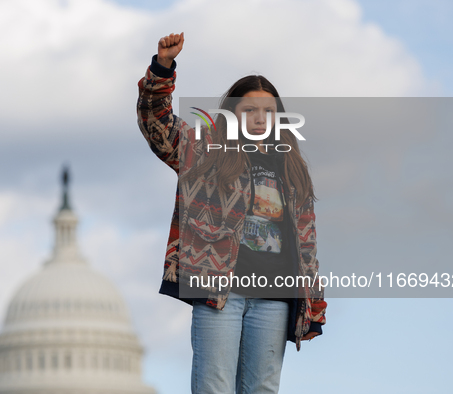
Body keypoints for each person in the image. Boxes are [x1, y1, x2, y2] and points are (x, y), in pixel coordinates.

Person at [137, 32, 327, 394]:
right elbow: (155, 122)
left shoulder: (292, 166)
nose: (260, 119)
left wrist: (312, 302)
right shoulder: (203, 150)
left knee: (262, 389)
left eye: (268, 112)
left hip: (274, 296)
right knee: (214, 386)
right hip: (219, 289)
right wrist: (162, 68)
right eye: (249, 110)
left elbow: (306, 243)